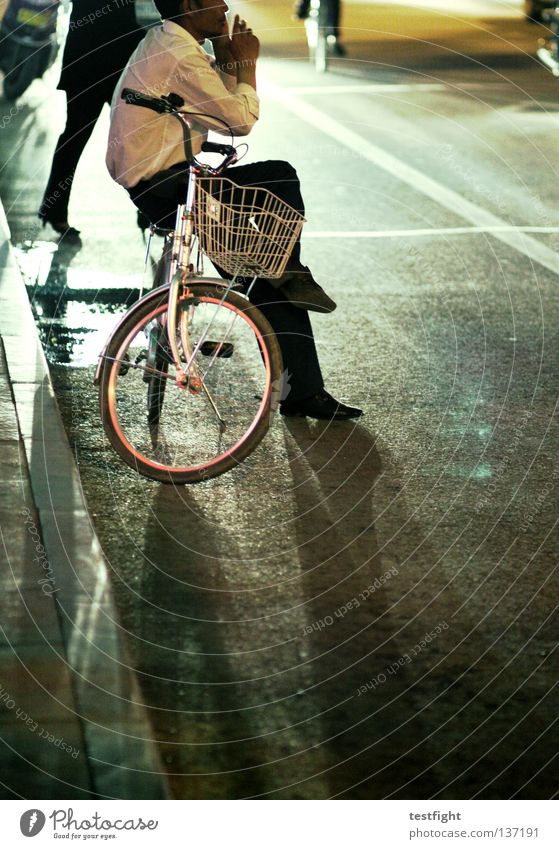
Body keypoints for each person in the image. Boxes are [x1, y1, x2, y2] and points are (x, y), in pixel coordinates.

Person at [106, 0, 362, 421]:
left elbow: (213, 102)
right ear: (189, 5)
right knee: (280, 177)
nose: (224, 5)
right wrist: (247, 66)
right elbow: (238, 120)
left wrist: (226, 60)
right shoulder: (180, 54)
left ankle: (304, 387)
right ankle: (289, 273)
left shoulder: (167, 43)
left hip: (163, 186)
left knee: (262, 270)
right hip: (171, 189)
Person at [38, 0, 145, 237]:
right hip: (108, 57)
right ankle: (149, 209)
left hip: (93, 55)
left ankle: (54, 209)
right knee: (136, 134)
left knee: (79, 135)